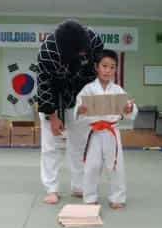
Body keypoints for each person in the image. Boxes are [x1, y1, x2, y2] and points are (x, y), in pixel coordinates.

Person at [37, 19, 104, 204]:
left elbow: (98, 74)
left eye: (84, 50)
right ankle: (51, 188)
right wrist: (52, 116)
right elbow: (44, 86)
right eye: (79, 51)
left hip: (81, 94)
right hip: (54, 93)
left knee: (81, 144)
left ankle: (79, 186)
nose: (83, 53)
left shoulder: (94, 40)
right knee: (51, 144)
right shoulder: (48, 50)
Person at [75, 49, 137, 208]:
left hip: (111, 132)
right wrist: (80, 110)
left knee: (115, 165)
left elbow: (128, 109)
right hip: (94, 132)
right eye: (104, 66)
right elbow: (79, 109)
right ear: (96, 67)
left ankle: (117, 198)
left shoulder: (117, 90)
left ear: (116, 69)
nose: (108, 70)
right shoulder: (88, 89)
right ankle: (90, 197)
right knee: (91, 166)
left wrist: (130, 109)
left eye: (112, 67)